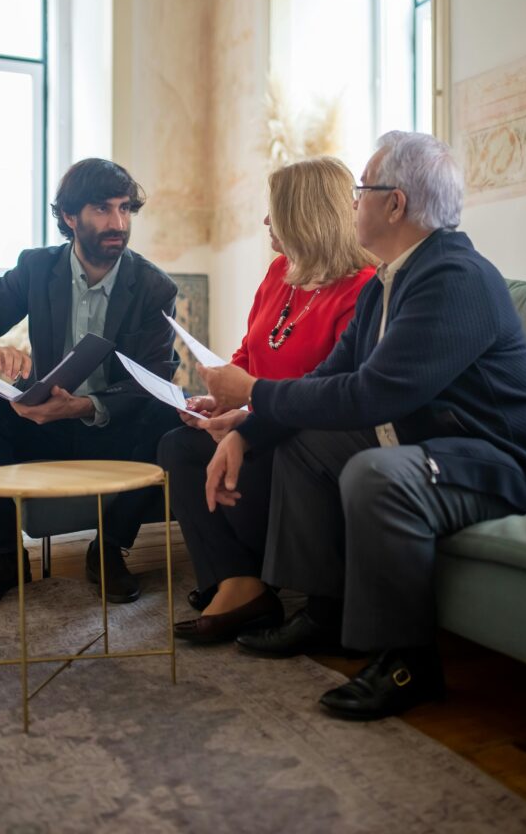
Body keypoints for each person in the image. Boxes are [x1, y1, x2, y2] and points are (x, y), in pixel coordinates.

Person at [197, 130, 526, 719]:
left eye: (360, 191)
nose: (351, 203)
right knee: (309, 440)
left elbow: (371, 396)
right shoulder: (388, 282)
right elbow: (328, 379)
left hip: (512, 463)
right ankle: (326, 615)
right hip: (448, 447)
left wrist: (252, 392)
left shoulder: (455, 277)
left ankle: (408, 661)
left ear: (394, 204)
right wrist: (249, 430)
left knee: (377, 473)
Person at [0, 158, 180, 610]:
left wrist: (85, 406)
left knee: (166, 407)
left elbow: (153, 380)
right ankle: (5, 557)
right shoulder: (36, 268)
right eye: (103, 209)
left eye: (125, 209)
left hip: (113, 430)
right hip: (42, 423)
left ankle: (109, 550)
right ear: (70, 217)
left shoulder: (153, 288)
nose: (118, 223)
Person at [157, 156, 377, 643]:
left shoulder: (361, 290)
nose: (264, 223)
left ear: (304, 217)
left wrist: (246, 416)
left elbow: (328, 391)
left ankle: (253, 579)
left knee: (240, 456)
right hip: (258, 420)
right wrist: (219, 403)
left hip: (299, 437)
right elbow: (249, 354)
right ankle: (239, 582)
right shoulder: (281, 271)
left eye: (273, 211)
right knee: (177, 445)